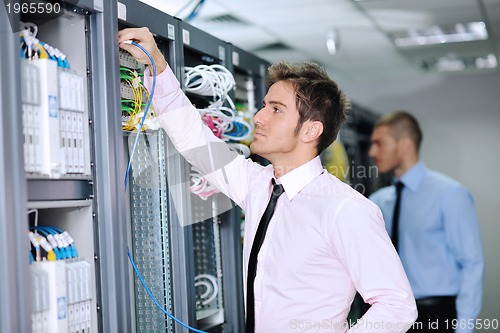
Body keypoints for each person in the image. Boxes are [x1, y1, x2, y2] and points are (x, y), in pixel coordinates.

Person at [118, 27, 417, 333]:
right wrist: (156, 63)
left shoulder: (344, 209)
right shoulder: (258, 184)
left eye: (276, 109)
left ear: (310, 131)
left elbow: (396, 306)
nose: (259, 117)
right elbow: (194, 139)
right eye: (264, 105)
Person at [368, 111, 484, 333]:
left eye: (379, 143)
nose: (372, 151)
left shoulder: (450, 194)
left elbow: (472, 263)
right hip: (388, 316)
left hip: (436, 317)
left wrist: (464, 328)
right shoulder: (378, 202)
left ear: (405, 145)